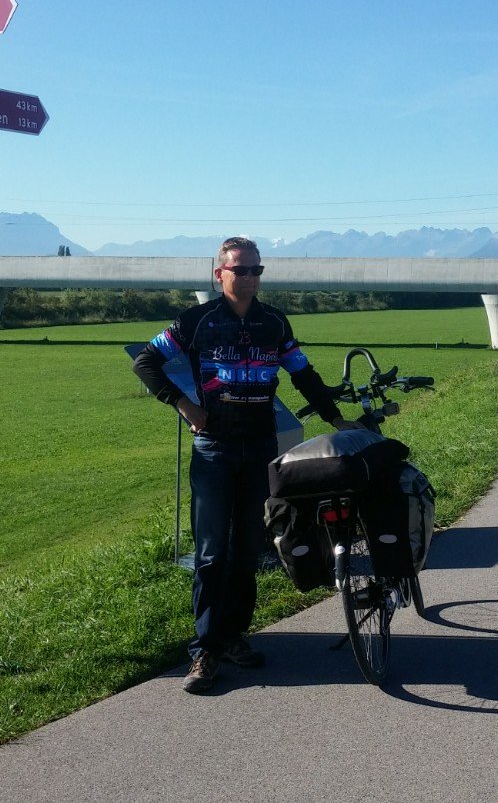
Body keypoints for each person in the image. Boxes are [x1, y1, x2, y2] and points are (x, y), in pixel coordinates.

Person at [132, 237, 358, 694]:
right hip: (214, 450)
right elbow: (147, 361)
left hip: (260, 449)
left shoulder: (273, 321)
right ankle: (203, 652)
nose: (250, 278)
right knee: (213, 553)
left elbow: (303, 373)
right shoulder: (196, 321)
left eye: (257, 270)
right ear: (221, 274)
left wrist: (336, 417)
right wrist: (183, 405)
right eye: (241, 270)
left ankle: (233, 637)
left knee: (248, 550)